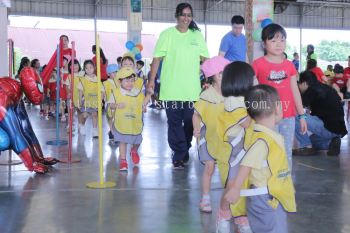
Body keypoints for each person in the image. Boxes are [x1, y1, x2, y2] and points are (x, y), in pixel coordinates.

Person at [224, 85, 296, 233]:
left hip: (270, 196)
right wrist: (236, 188)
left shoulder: (266, 137)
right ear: (277, 107)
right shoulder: (262, 141)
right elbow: (246, 164)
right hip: (265, 199)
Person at [146, 2, 209, 169]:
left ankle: (183, 148)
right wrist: (151, 81)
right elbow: (157, 59)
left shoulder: (196, 36)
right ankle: (179, 155)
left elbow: (205, 60)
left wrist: (211, 79)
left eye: (189, 15)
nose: (186, 18)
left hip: (191, 90)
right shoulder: (167, 35)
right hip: (171, 89)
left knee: (189, 121)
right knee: (174, 123)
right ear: (177, 16)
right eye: (183, 15)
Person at [252, 23, 307, 170]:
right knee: (268, 150)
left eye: (282, 40)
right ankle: (267, 186)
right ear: (264, 43)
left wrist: (302, 116)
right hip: (267, 117)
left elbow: (295, 91)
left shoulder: (289, 65)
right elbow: (252, 92)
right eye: (273, 40)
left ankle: (284, 187)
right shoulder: (258, 64)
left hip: (288, 116)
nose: (279, 44)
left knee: (285, 151)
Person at [214, 61, 254, 233]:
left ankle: (241, 219)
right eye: (253, 79)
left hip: (243, 152)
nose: (255, 82)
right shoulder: (233, 102)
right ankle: (223, 214)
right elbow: (247, 122)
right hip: (232, 154)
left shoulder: (243, 101)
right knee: (232, 186)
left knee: (243, 187)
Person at [192, 56, 230, 213]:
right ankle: (205, 198)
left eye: (226, 72)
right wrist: (196, 129)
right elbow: (196, 114)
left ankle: (229, 199)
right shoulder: (206, 95)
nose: (224, 76)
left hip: (226, 140)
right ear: (213, 77)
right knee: (209, 167)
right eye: (221, 73)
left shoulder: (232, 94)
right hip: (208, 137)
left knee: (227, 171)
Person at [292, 71, 347, 156]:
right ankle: (331, 143)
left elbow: (298, 107)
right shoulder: (326, 87)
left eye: (299, 85)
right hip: (337, 129)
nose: (299, 88)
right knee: (312, 141)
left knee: (296, 116)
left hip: (327, 127)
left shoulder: (311, 90)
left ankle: (307, 147)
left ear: (304, 83)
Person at [108, 67, 150, 171]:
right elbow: (110, 106)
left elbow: (142, 104)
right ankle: (123, 161)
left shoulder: (138, 93)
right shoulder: (116, 92)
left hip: (135, 122)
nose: (130, 83)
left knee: (138, 141)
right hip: (122, 122)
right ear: (120, 81)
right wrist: (116, 105)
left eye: (132, 81)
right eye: (126, 81)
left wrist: (144, 106)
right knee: (123, 141)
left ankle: (134, 150)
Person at [78, 60, 105, 138]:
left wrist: (101, 100)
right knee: (85, 115)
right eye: (86, 68)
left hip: (95, 101)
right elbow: (80, 91)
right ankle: (82, 125)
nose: (89, 70)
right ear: (84, 70)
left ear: (94, 68)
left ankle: (94, 131)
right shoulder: (83, 80)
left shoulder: (97, 80)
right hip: (86, 101)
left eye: (90, 67)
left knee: (94, 115)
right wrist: (80, 101)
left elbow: (102, 91)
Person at [104, 64, 119, 143]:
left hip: (118, 103)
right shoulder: (106, 83)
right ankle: (112, 131)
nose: (115, 74)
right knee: (110, 118)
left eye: (116, 72)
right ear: (108, 74)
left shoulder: (120, 82)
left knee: (117, 118)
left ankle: (113, 132)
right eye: (113, 72)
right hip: (109, 103)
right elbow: (102, 92)